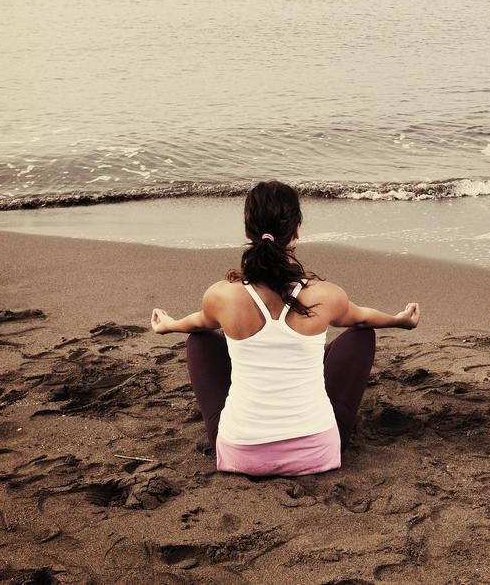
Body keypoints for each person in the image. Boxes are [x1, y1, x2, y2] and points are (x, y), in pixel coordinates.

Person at [150, 180, 421, 476]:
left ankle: (249, 429)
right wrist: (399, 320)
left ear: (247, 231)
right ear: (296, 232)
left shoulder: (222, 296)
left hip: (242, 456)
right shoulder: (324, 295)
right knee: (361, 335)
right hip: (316, 454)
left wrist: (170, 325)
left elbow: (200, 321)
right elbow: (362, 318)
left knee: (199, 340)